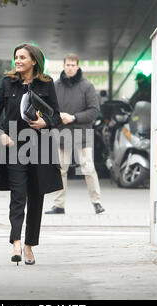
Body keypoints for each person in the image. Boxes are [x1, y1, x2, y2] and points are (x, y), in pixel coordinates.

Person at [0, 43, 63, 265]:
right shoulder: (7, 83)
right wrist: (1, 135)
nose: (17, 61)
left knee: (36, 199)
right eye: (16, 57)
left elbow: (56, 116)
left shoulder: (46, 84)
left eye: (22, 57)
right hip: (13, 148)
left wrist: (45, 122)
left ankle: (29, 246)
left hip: (40, 149)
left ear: (34, 61)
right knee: (18, 197)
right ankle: (16, 242)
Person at [45, 53, 105, 215]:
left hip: (81, 134)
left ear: (77, 67)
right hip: (61, 133)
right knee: (60, 169)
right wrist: (59, 116)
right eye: (68, 65)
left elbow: (94, 111)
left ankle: (97, 202)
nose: (70, 68)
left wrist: (73, 117)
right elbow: (48, 109)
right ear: (63, 66)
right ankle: (59, 205)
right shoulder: (55, 86)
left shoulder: (87, 86)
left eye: (73, 65)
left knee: (88, 168)